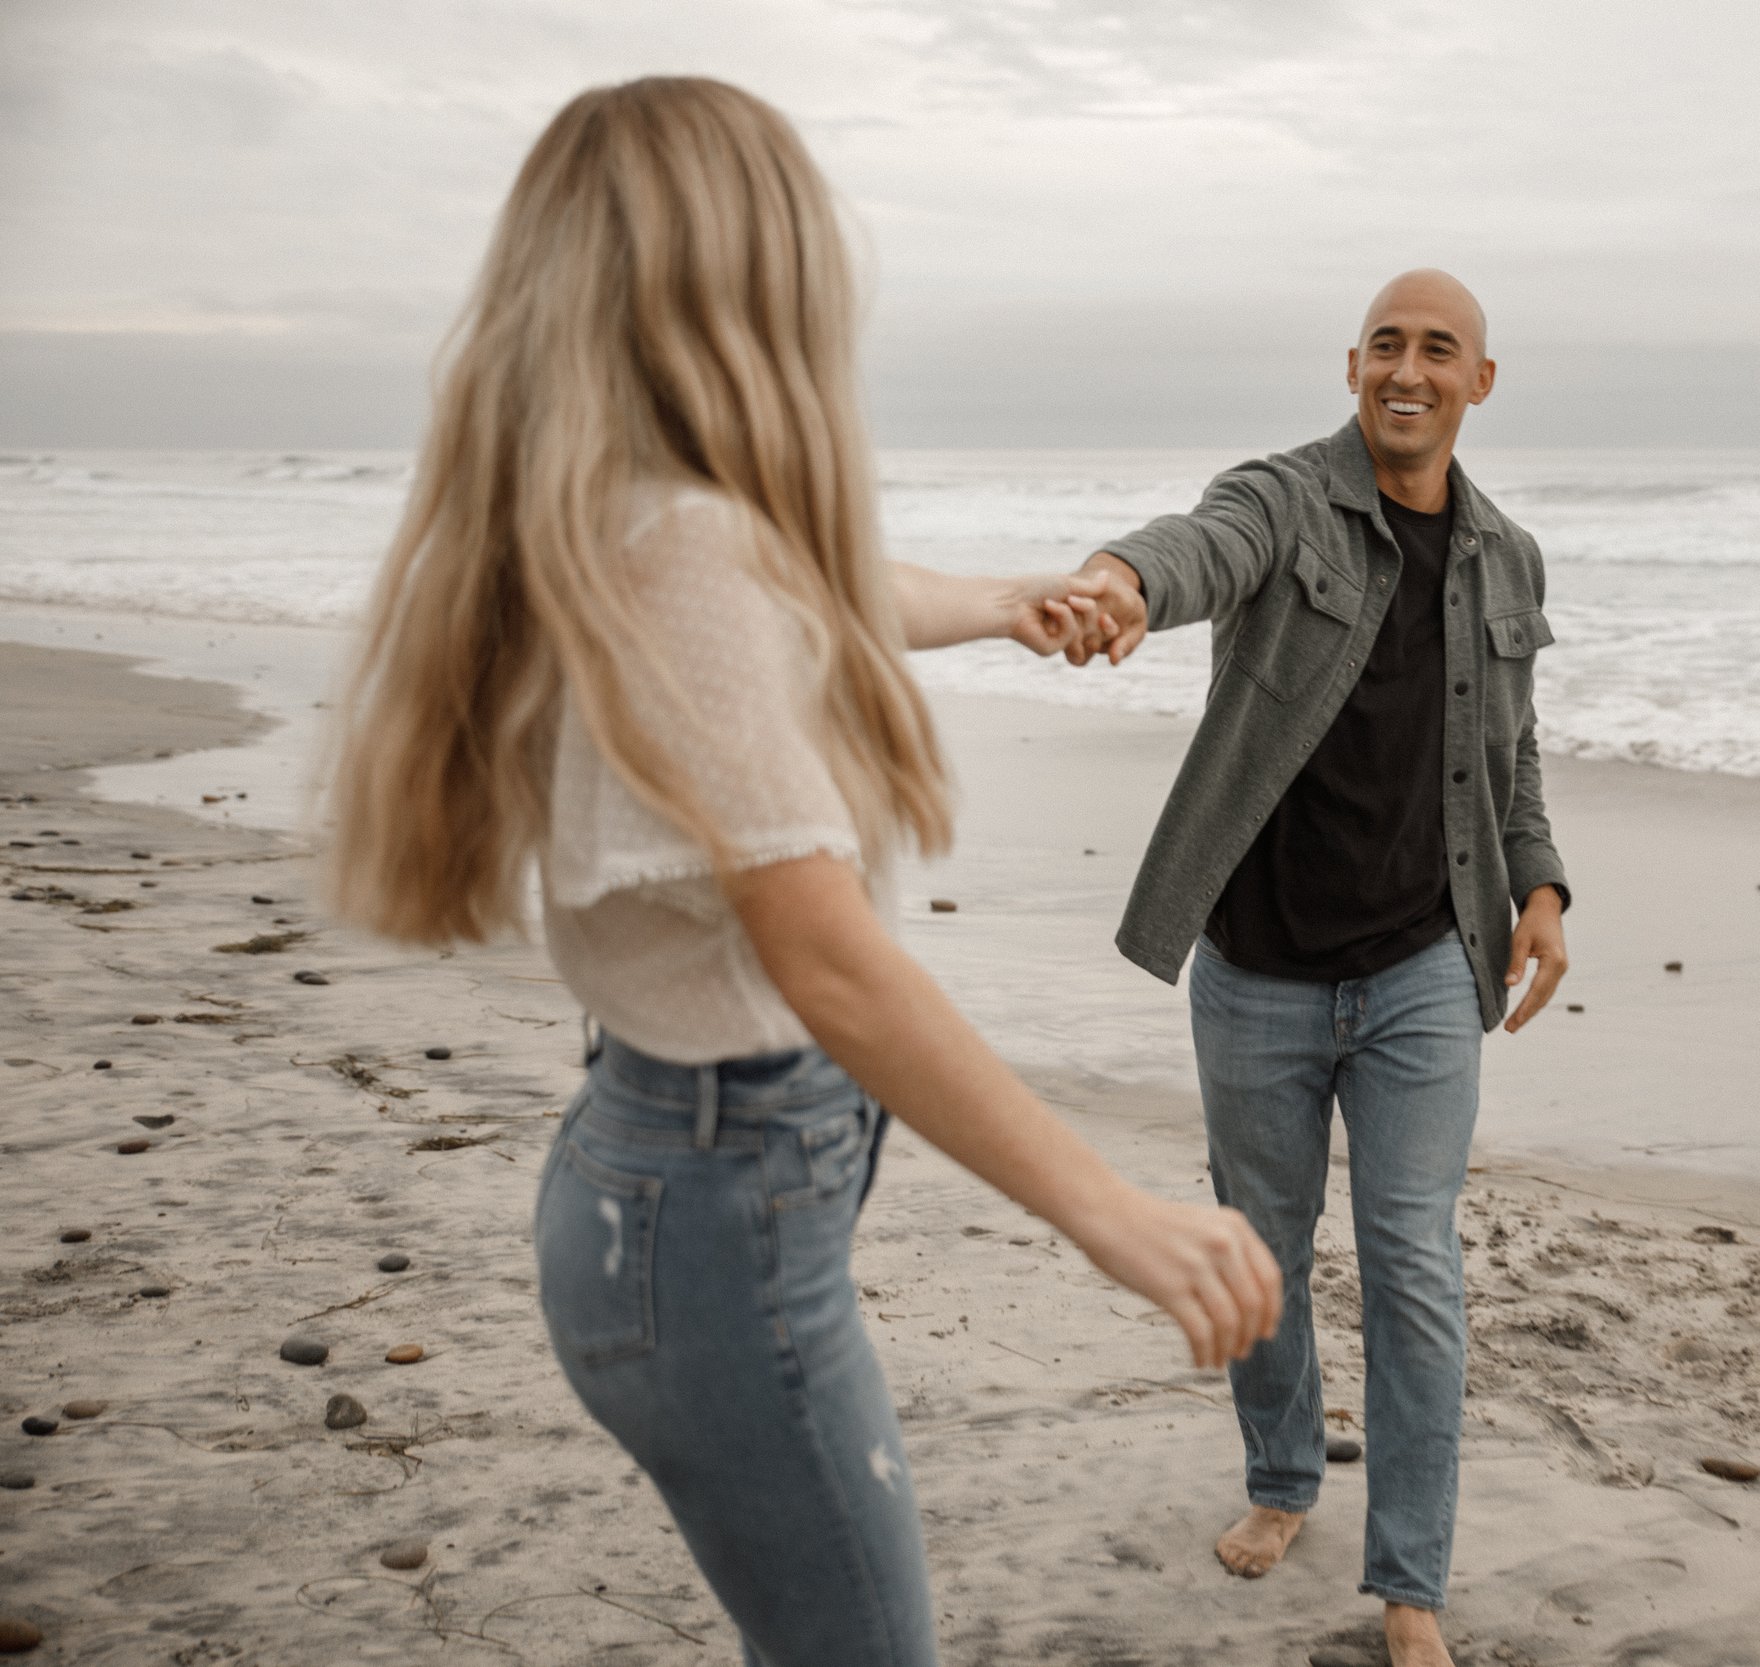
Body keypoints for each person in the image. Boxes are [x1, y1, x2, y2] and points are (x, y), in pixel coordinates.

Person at [322, 77, 1280, 1667]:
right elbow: (830, 963)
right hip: (714, 1213)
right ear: (746, 276)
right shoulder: (682, 552)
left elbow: (806, 593)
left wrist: (1001, 603)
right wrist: (1115, 1214)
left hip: (665, 1178)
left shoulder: (651, 517)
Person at [1064, 270, 1570, 1667]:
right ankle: (1283, 1480)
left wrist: (1541, 885)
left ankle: (1410, 1581)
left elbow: (1509, 754)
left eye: (1439, 350)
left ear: (1480, 380)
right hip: (1261, 967)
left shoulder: (1507, 558)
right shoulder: (1287, 500)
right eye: (1388, 346)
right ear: (1355, 365)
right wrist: (1119, 580)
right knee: (1264, 1250)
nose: (1409, 370)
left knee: (1414, 1263)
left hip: (1423, 966)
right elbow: (1199, 548)